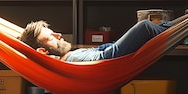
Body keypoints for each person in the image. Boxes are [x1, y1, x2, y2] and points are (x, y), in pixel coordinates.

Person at [19, 19, 172, 62]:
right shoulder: (70, 60)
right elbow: (107, 56)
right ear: (42, 51)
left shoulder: (70, 56)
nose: (59, 35)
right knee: (145, 27)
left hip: (116, 50)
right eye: (51, 37)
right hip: (116, 57)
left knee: (156, 27)